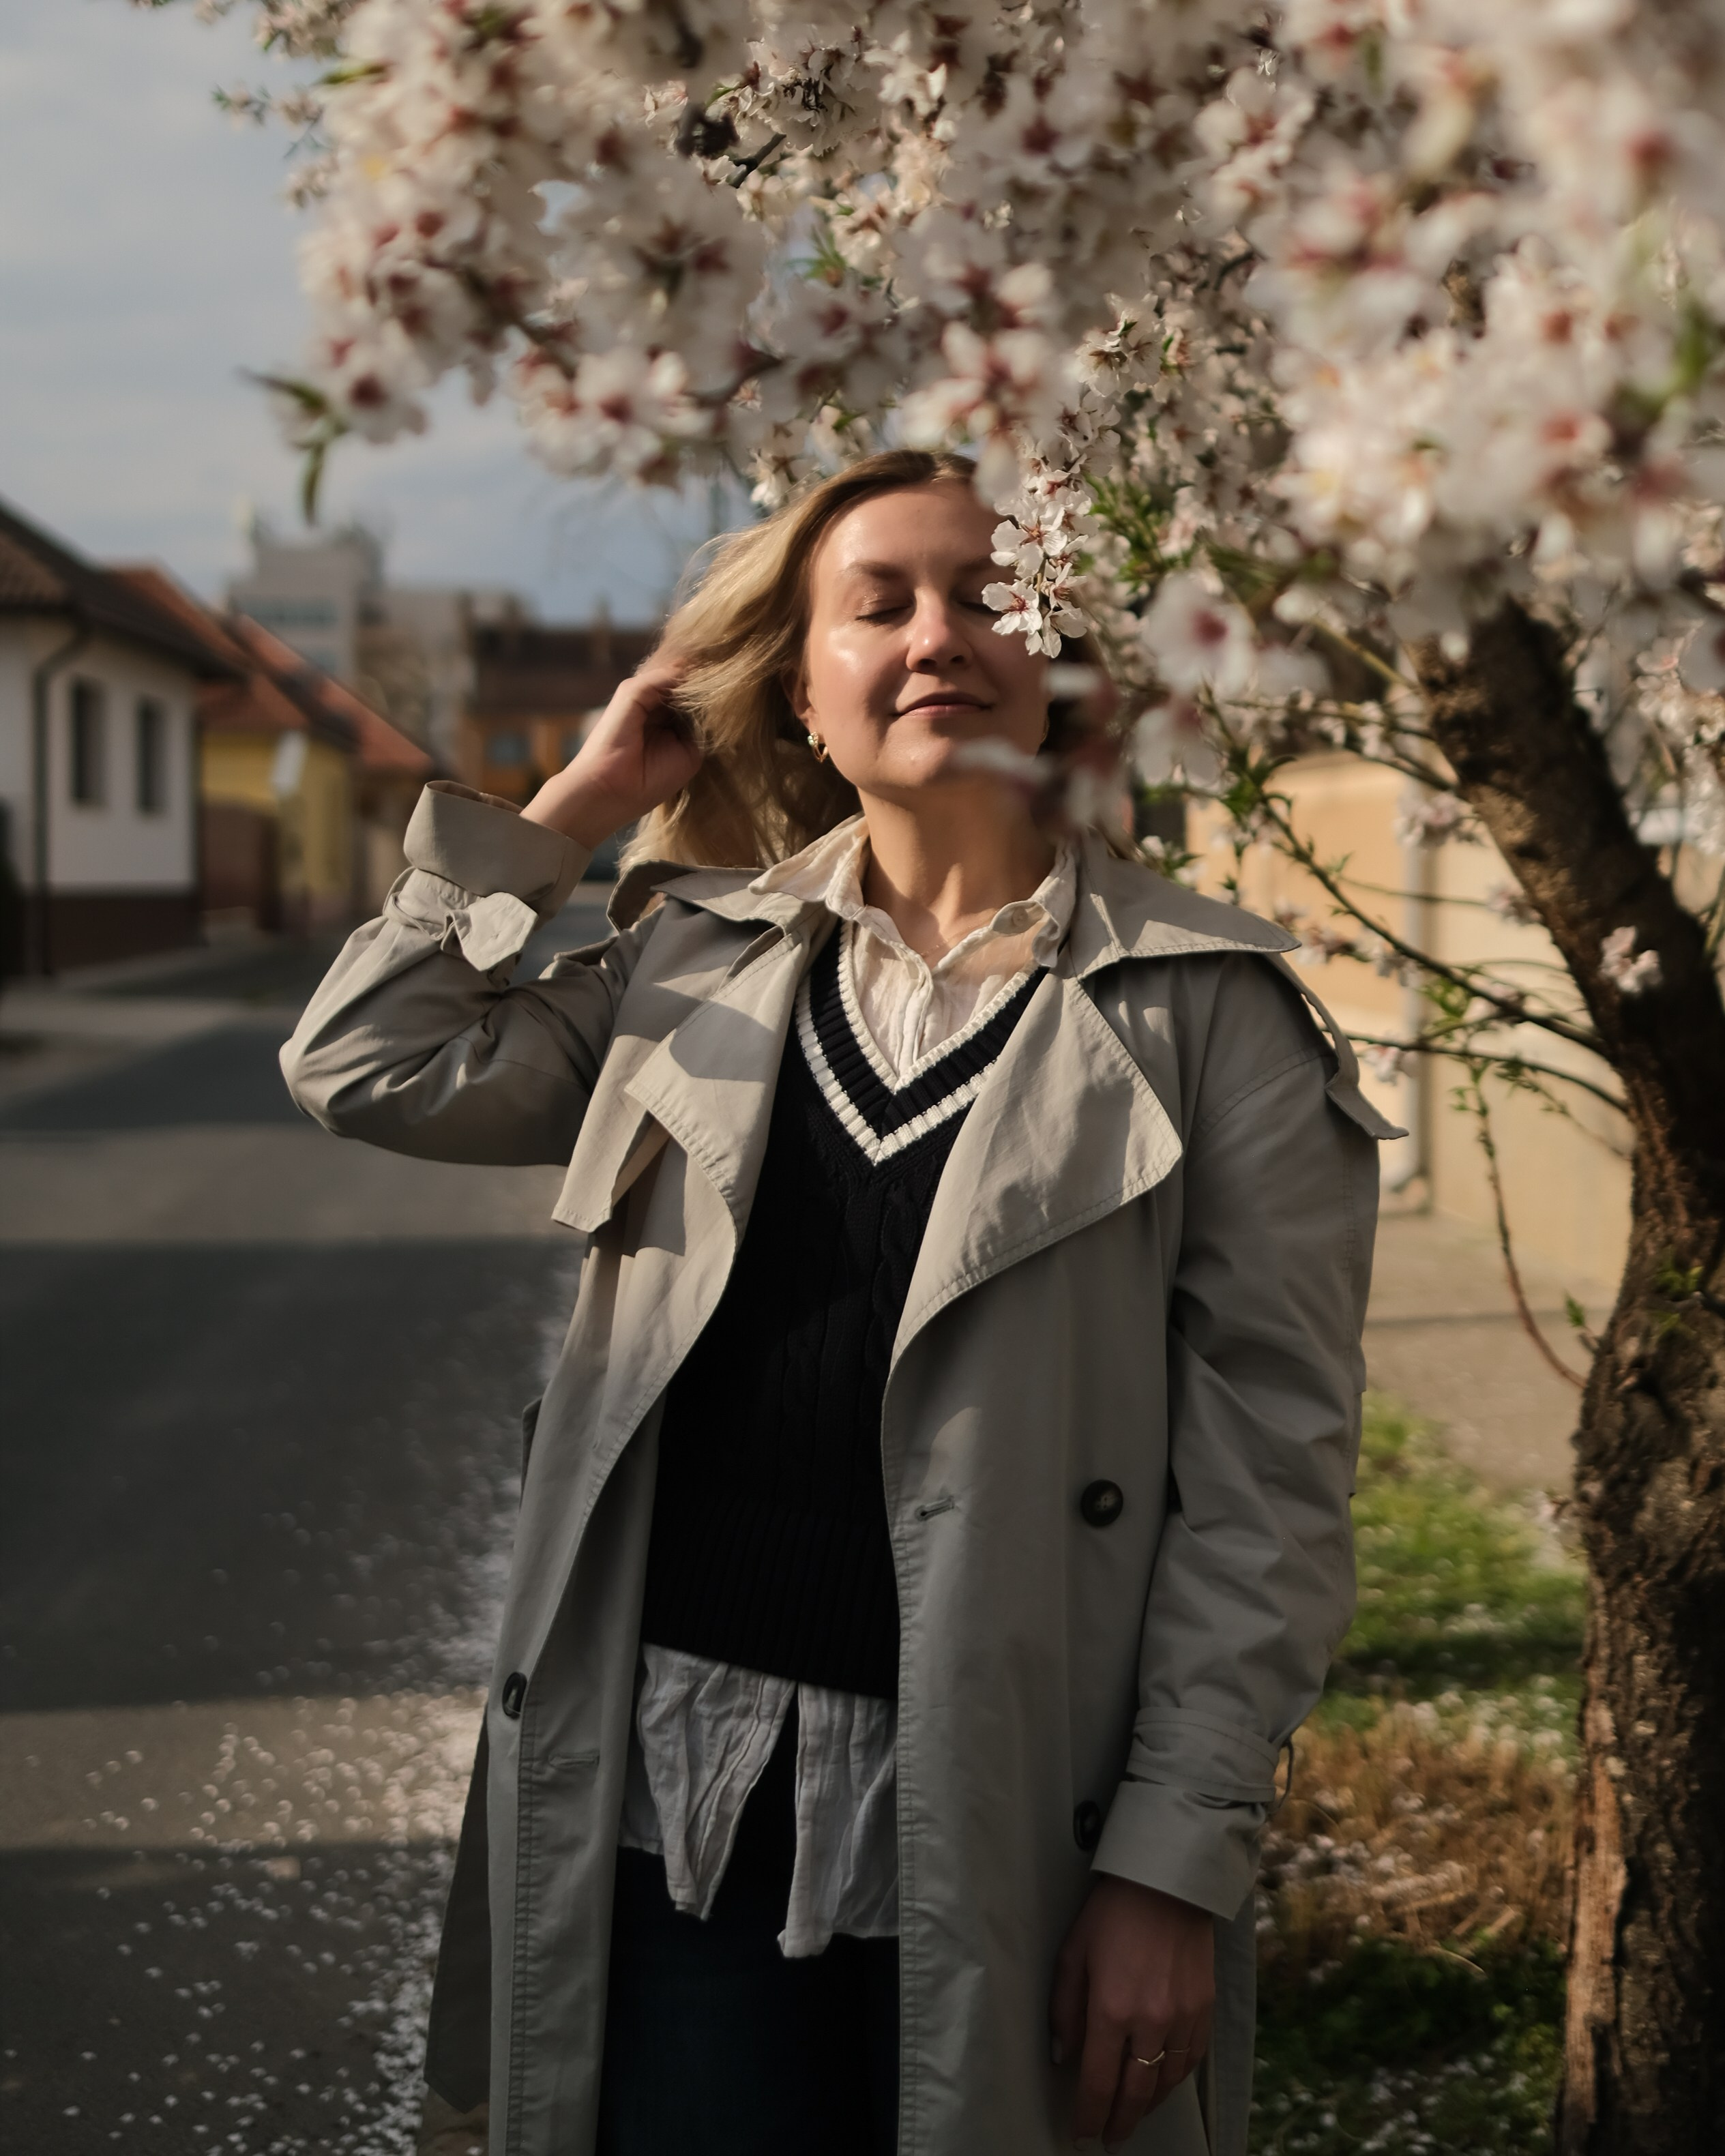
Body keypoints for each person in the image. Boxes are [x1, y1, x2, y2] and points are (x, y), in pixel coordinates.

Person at [280, 449, 1396, 2156]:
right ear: (800, 690)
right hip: (667, 1807)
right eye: (877, 604)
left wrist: (1173, 1865)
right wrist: (577, 805)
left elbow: (1272, 1494)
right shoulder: (686, 960)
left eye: (987, 597)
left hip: (1018, 1815)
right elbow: (367, 1061)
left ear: (1065, 671)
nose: (938, 633)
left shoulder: (1209, 1013)